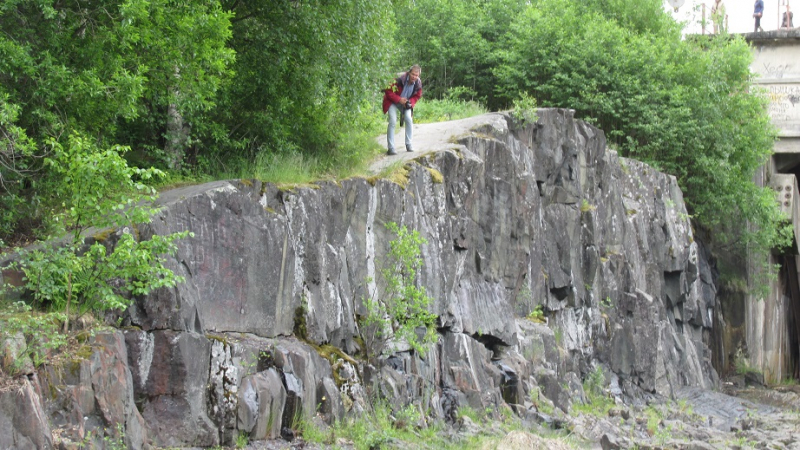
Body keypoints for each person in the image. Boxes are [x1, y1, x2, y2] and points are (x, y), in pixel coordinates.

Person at [383, 65, 422, 155]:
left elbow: (418, 95)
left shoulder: (418, 83)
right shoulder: (399, 79)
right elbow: (388, 91)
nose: (414, 77)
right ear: (409, 73)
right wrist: (399, 99)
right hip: (392, 101)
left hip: (405, 103)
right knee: (393, 121)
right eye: (413, 74)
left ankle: (409, 145)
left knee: (409, 119)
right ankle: (391, 148)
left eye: (416, 75)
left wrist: (410, 102)